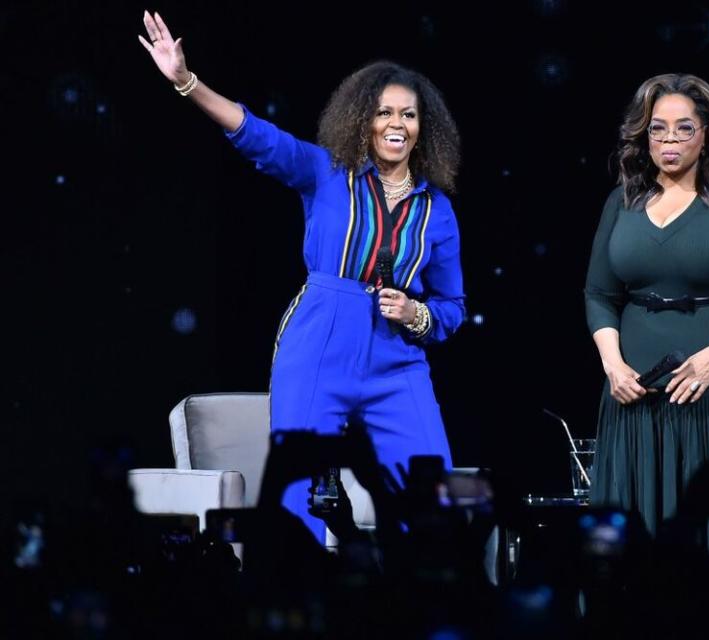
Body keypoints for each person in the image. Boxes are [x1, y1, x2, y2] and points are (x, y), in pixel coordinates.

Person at [139, 12, 466, 541]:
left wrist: (417, 313)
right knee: (298, 501)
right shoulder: (325, 172)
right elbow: (254, 134)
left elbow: (453, 305)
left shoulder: (438, 211)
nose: (396, 125)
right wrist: (186, 81)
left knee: (430, 495)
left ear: (423, 126)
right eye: (384, 113)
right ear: (364, 120)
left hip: (397, 362)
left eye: (408, 115)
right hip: (319, 341)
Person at [584, 73, 709, 553]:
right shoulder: (622, 201)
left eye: (683, 128)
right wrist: (613, 365)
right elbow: (598, 292)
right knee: (637, 540)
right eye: (658, 129)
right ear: (643, 134)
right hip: (634, 392)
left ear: (707, 132)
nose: (669, 140)